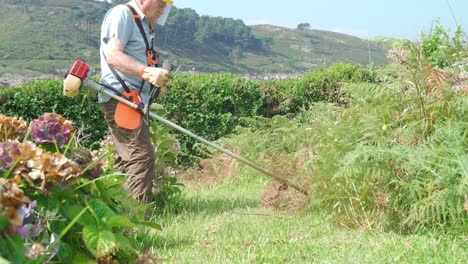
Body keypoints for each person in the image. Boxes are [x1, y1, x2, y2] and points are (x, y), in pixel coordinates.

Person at [99, 0, 173, 203]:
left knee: (125, 159)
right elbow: (113, 56)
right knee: (141, 155)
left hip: (134, 99)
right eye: (161, 2)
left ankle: (118, 210)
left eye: (168, 4)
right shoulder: (122, 14)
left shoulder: (145, 25)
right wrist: (147, 72)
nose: (163, 8)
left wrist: (155, 81)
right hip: (121, 97)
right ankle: (138, 218)